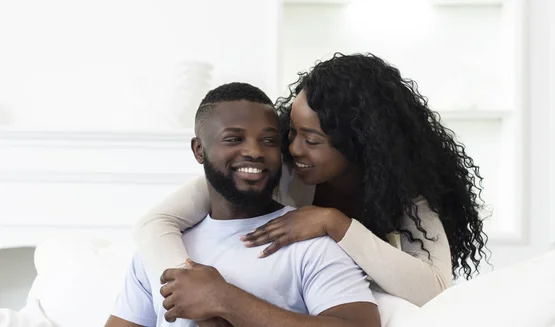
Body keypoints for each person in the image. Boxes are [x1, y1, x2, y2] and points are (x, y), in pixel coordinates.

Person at [134, 53, 490, 307]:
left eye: (312, 140)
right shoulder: (277, 170)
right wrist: (187, 283)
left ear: (361, 147)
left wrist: (334, 223)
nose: (293, 147)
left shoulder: (406, 197)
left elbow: (434, 289)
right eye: (292, 130)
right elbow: (156, 222)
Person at [106, 82, 380, 327]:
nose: (254, 151)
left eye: (269, 140)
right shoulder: (160, 251)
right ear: (199, 150)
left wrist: (226, 300)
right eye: (234, 139)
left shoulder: (310, 244)